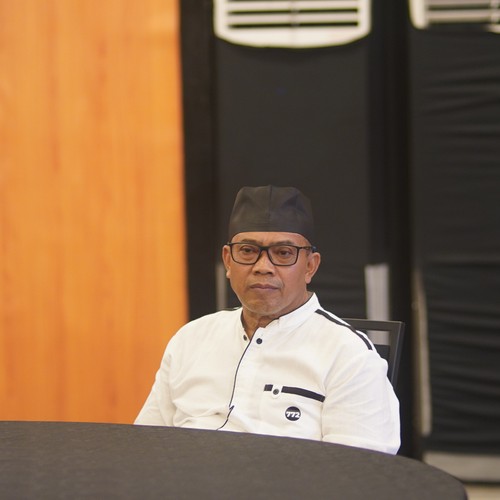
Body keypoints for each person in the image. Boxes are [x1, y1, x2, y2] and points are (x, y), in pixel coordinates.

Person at [135, 185, 400, 454]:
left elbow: (360, 467)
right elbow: (145, 445)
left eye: (283, 253)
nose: (263, 267)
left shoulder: (348, 354)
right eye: (248, 251)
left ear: (310, 266)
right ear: (228, 261)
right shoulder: (191, 339)